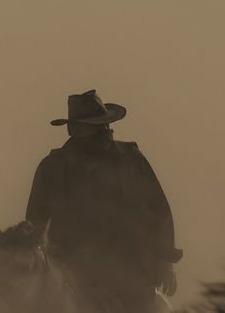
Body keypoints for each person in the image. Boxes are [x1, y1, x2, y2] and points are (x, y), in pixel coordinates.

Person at [25, 89, 182, 312]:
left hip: (128, 267)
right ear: (74, 129)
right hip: (68, 269)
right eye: (91, 125)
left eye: (99, 125)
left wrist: (166, 262)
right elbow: (35, 223)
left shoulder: (130, 160)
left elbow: (158, 210)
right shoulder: (53, 167)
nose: (100, 131)